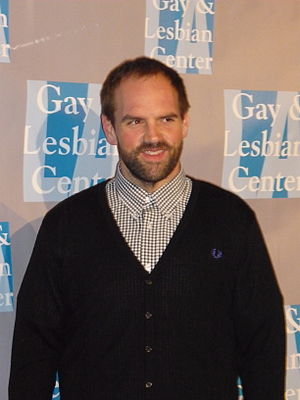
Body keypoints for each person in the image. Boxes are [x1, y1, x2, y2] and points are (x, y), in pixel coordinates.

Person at [9, 56, 285, 399]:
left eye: (166, 118)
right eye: (135, 121)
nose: (152, 136)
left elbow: (264, 346)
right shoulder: (66, 227)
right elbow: (33, 353)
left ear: (184, 122)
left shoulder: (231, 220)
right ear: (109, 129)